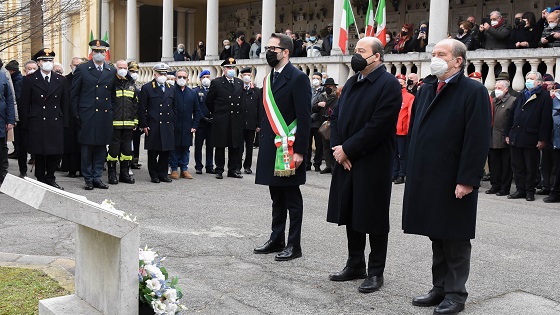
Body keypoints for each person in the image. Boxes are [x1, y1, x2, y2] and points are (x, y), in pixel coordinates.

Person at [403, 39, 491, 315]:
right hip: (428, 176)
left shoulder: (473, 91)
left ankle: (456, 294)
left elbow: (477, 139)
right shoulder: (428, 88)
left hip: (454, 178)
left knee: (455, 238)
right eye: (433, 54)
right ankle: (439, 288)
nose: (435, 58)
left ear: (458, 61)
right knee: (436, 235)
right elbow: (417, 131)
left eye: (441, 54)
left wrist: (467, 179)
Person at [326, 37, 401, 293]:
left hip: (372, 161)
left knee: (373, 216)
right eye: (354, 50)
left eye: (361, 51)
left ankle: (375, 271)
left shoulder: (388, 84)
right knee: (350, 212)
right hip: (346, 159)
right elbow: (335, 117)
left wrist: (348, 149)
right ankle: (355, 263)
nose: (355, 55)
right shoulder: (351, 82)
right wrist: (339, 149)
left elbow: (378, 126)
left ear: (376, 56)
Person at [253, 33, 311, 261]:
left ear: (285, 52)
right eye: (267, 47)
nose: (268, 52)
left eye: (272, 48)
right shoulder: (269, 79)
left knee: (292, 199)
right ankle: (276, 238)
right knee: (276, 196)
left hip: (289, 149)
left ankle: (293, 244)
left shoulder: (298, 78)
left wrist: (299, 151)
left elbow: (304, 118)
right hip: (272, 147)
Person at [19, 48, 69, 190]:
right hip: (37, 120)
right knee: (40, 152)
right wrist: (25, 124)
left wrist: (65, 123)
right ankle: (40, 178)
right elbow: (24, 104)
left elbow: (65, 103)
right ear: (39, 63)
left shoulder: (61, 80)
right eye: (45, 60)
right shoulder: (29, 80)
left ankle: (50, 177)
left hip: (55, 121)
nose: (48, 63)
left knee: (55, 152)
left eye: (50, 60)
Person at [71, 40, 116, 190]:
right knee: (87, 148)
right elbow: (75, 94)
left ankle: (97, 177)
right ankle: (88, 178)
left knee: (101, 147)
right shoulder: (83, 69)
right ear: (91, 53)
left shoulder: (111, 70)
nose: (99, 54)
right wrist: (77, 114)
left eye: (102, 52)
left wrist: (111, 111)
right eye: (96, 51)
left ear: (106, 53)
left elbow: (113, 95)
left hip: (104, 115)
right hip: (87, 114)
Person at [505, 71, 552, 201]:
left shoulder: (544, 97)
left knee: (531, 166)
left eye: (531, 78)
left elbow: (546, 120)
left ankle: (529, 191)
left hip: (531, 137)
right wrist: (507, 133)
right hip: (516, 136)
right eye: (527, 78)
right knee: (517, 165)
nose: (528, 81)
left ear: (538, 82)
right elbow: (512, 116)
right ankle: (520, 190)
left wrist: (542, 139)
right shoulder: (521, 95)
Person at [205, 58, 244, 179]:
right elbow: (209, 101)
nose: (231, 70)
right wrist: (217, 112)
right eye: (228, 68)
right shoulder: (217, 83)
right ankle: (219, 169)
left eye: (233, 68)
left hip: (235, 119)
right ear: (223, 69)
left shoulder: (239, 82)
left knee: (234, 146)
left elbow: (241, 100)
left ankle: (232, 170)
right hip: (222, 118)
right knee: (220, 145)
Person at [138, 63, 175, 183]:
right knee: (153, 151)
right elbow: (142, 108)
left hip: (167, 124)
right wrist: (144, 124)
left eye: (165, 73)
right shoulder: (147, 87)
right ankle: (154, 174)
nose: (163, 76)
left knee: (166, 151)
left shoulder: (171, 87)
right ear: (155, 74)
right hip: (153, 124)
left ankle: (163, 174)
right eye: (160, 73)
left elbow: (174, 108)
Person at [106, 60, 138, 185]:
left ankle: (124, 174)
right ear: (116, 68)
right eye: (120, 67)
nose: (123, 69)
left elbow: (135, 104)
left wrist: (135, 121)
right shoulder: (111, 83)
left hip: (129, 125)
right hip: (115, 124)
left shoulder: (131, 84)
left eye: (125, 67)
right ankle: (112, 174)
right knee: (113, 151)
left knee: (127, 151)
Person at [169, 69, 201, 180]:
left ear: (188, 79)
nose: (182, 79)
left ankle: (184, 169)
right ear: (175, 78)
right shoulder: (171, 91)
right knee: (174, 147)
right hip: (174, 125)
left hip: (187, 126)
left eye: (184, 77)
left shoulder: (192, 93)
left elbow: (197, 111)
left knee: (185, 148)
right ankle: (173, 169)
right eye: (179, 77)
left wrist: (195, 125)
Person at [486, 80, 515, 196]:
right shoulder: (493, 101)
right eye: (495, 87)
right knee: (494, 163)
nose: (496, 90)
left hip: (504, 137)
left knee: (506, 165)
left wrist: (508, 135)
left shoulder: (512, 101)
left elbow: (512, 120)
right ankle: (495, 185)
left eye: (499, 87)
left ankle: (505, 188)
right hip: (492, 137)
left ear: (506, 89)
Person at [60, 57, 83, 178]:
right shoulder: (65, 80)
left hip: (83, 116)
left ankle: (83, 169)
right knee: (71, 144)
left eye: (79, 65)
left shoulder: (85, 78)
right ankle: (72, 169)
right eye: (75, 65)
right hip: (69, 117)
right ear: (71, 66)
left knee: (83, 144)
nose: (77, 67)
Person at [312, 77, 339, 174]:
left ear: (334, 87)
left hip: (334, 123)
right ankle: (328, 165)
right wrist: (318, 104)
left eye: (330, 86)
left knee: (334, 145)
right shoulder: (321, 96)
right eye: (327, 86)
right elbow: (313, 108)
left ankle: (334, 166)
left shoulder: (338, 96)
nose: (328, 88)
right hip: (323, 124)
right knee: (325, 146)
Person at [238, 67, 260, 174]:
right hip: (240, 123)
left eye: (249, 75)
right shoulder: (238, 89)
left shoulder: (256, 91)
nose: (247, 77)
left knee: (250, 147)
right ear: (241, 77)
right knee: (239, 147)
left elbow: (260, 109)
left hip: (251, 123)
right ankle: (237, 166)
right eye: (245, 75)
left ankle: (247, 166)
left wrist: (259, 124)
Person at [393, 74, 414, 184]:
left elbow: (410, 115)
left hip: (402, 131)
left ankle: (402, 174)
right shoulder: (392, 95)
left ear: (405, 84)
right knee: (394, 154)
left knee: (402, 154)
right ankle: (394, 172)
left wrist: (407, 130)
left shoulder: (410, 97)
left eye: (401, 83)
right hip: (392, 130)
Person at [193, 70, 214, 174]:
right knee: (198, 146)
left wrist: (213, 117)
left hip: (211, 123)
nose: (206, 79)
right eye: (204, 77)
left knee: (210, 146)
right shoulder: (196, 91)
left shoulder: (213, 90)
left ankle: (209, 166)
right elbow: (196, 107)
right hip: (201, 123)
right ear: (200, 79)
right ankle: (198, 166)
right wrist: (203, 117)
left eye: (208, 77)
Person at [0, 63, 15, 185]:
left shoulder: (3, 76)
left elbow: (10, 99)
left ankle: (2, 179)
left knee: (2, 150)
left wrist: (11, 120)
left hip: (1, 120)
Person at [544, 84, 560, 202]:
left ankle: (555, 192)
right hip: (555, 140)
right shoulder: (553, 100)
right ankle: (554, 192)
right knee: (556, 168)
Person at [307, 72, 324, 172]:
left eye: (317, 78)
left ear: (321, 81)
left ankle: (317, 164)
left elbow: (322, 107)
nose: (315, 80)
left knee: (319, 145)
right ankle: (307, 163)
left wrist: (313, 114)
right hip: (308, 121)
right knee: (307, 144)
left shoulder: (324, 92)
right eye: (313, 78)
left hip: (318, 121)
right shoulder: (309, 91)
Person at [128, 60, 143, 170]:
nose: (134, 73)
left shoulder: (138, 87)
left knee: (136, 141)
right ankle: (127, 161)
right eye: (132, 71)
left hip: (136, 119)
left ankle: (135, 160)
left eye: (136, 71)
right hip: (126, 119)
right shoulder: (125, 84)